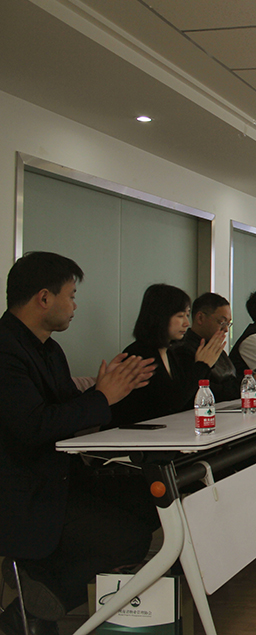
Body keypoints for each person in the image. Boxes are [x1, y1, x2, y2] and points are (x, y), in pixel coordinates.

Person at [0, 252, 155, 634]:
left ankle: (40, 583)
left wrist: (108, 392)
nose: (75, 306)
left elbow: (64, 410)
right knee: (130, 538)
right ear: (44, 298)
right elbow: (34, 425)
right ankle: (35, 602)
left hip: (60, 476)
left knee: (151, 501)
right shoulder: (5, 350)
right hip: (25, 491)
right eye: (71, 296)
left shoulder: (49, 349)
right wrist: (101, 398)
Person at [110, 284, 227, 428]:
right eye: (180, 316)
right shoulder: (140, 354)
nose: (187, 323)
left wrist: (204, 365)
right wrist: (202, 365)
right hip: (134, 435)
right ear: (161, 316)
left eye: (187, 315)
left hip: (164, 431)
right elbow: (173, 403)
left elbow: (189, 398)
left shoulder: (170, 352)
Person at [172, 292, 256, 408]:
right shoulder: (183, 349)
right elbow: (210, 391)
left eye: (228, 324)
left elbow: (231, 378)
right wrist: (246, 386)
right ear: (200, 318)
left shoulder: (213, 346)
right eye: (222, 322)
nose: (226, 329)